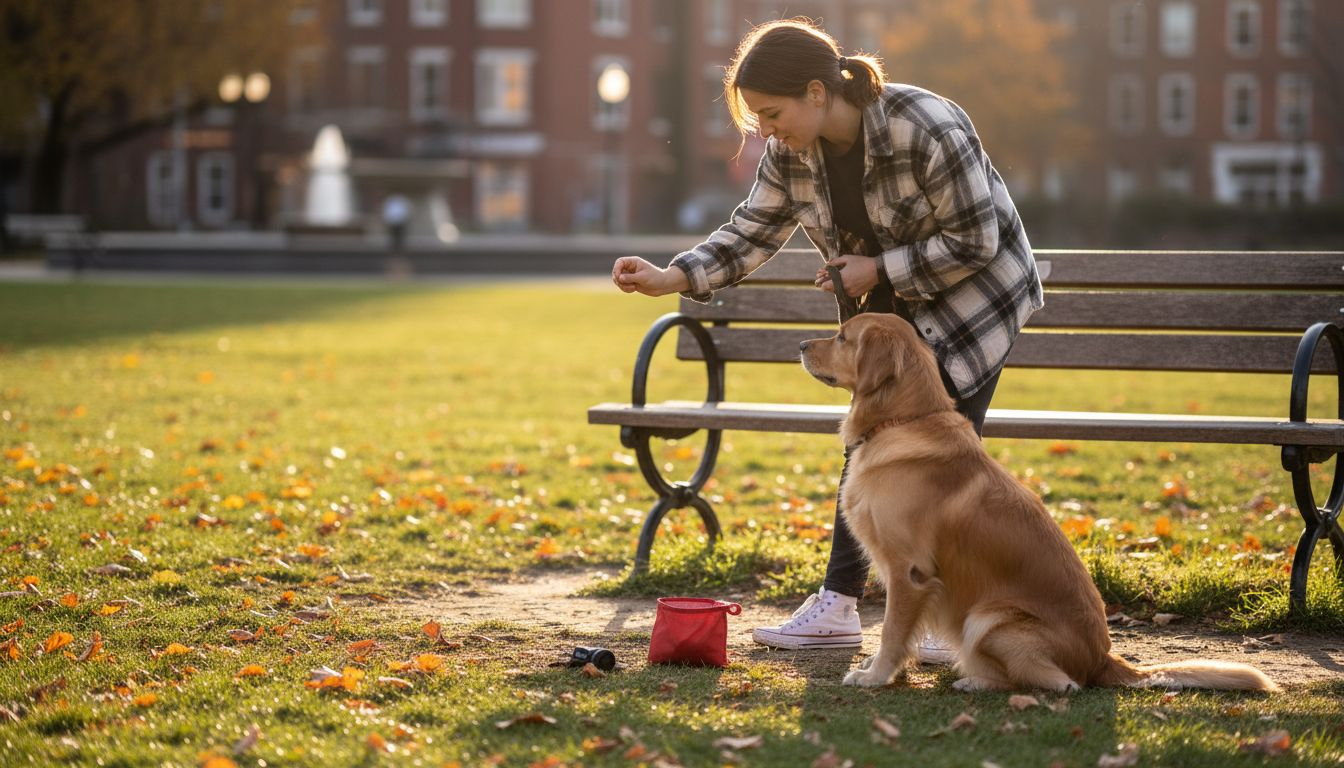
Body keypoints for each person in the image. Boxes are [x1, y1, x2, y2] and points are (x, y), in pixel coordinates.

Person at [610, 18, 1043, 657]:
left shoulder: (926, 126)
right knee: (875, 446)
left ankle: (919, 615)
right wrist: (671, 276)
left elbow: (977, 241)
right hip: (887, 310)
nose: (763, 130)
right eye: (754, 117)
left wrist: (879, 268)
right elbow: (750, 230)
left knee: (937, 468)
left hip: (971, 301)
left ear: (818, 92)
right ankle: (850, 607)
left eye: (770, 112)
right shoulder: (792, 152)